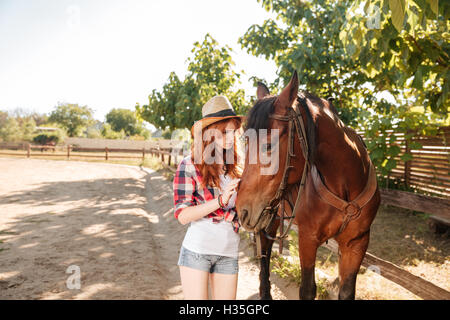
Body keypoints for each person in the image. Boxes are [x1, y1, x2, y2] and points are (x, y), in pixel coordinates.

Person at [173, 95, 244, 300]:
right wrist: (220, 201)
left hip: (229, 252)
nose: (230, 138)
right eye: (224, 132)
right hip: (197, 252)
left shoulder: (238, 168)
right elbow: (183, 215)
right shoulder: (190, 165)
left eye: (233, 131)